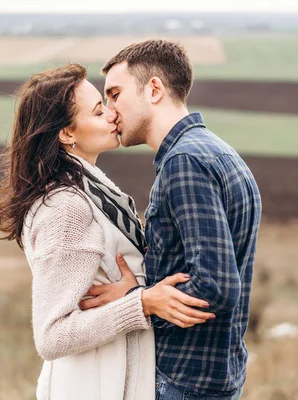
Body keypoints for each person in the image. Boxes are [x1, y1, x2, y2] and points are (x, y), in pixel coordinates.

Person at [0, 63, 214, 400]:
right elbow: (52, 336)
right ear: (67, 133)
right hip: (91, 386)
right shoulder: (66, 208)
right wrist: (142, 303)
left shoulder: (92, 189)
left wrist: (135, 292)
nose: (112, 114)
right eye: (97, 111)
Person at [82, 39, 262, 399]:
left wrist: (137, 297)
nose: (111, 111)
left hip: (182, 381)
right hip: (213, 375)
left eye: (115, 94)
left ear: (153, 89)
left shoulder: (185, 163)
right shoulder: (217, 151)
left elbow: (215, 286)